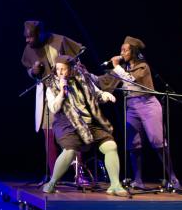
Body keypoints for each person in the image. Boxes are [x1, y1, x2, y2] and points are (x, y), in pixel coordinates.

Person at [41, 55, 127, 196]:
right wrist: (62, 92)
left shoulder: (83, 80)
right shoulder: (52, 87)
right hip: (67, 123)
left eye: (63, 69)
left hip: (88, 122)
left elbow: (96, 93)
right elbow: (54, 108)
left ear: (71, 69)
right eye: (58, 69)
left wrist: (104, 95)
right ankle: (52, 182)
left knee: (111, 146)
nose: (60, 72)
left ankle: (115, 185)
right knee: (70, 150)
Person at [108, 35, 180, 189]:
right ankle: (138, 180)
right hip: (131, 105)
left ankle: (172, 177)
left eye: (125, 50)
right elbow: (109, 81)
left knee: (157, 141)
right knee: (133, 143)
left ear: (133, 52)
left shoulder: (143, 67)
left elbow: (131, 79)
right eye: (121, 50)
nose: (122, 53)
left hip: (147, 104)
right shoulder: (123, 68)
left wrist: (116, 67)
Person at [21, 21, 85, 180]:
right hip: (47, 96)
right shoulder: (29, 49)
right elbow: (28, 69)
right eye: (26, 37)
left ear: (40, 33)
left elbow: (79, 55)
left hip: (66, 93)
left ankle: (79, 174)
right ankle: (53, 176)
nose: (28, 40)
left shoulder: (59, 40)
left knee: (72, 136)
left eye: (31, 37)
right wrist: (33, 71)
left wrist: (70, 71)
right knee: (49, 136)